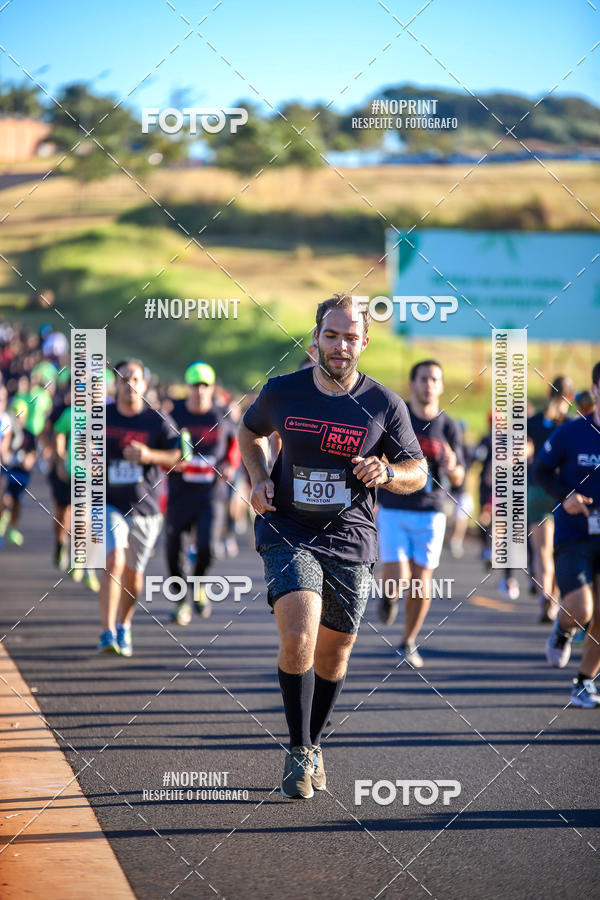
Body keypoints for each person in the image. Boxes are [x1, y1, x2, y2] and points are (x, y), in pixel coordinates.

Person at [239, 292, 426, 800]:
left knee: (335, 652)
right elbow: (251, 431)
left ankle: (315, 741)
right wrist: (257, 479)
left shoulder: (385, 404)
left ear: (364, 341)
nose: (340, 345)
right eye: (331, 335)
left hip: (351, 537)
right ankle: (299, 749)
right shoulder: (283, 391)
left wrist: (387, 471)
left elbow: (418, 469)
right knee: (299, 631)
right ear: (315, 338)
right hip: (288, 529)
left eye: (350, 337)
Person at [376, 360, 465, 667]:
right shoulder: (398, 419)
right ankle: (388, 598)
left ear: (441, 386)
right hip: (394, 508)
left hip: (431, 511)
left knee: (421, 581)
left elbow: (459, 477)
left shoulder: (449, 426)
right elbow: (381, 456)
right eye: (423, 378)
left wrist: (453, 465)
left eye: (435, 379)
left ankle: (408, 640)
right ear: (413, 383)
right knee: (398, 578)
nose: (429, 384)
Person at [98, 359, 181, 655]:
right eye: (123, 379)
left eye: (135, 378)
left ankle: (124, 624)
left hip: (145, 509)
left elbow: (177, 456)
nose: (129, 384)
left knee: (133, 575)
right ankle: (107, 632)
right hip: (108, 504)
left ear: (144, 384)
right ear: (115, 384)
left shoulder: (157, 420)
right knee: (113, 561)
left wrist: (147, 455)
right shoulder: (101, 417)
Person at [535, 362, 600, 708]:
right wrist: (566, 496)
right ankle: (563, 629)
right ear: (596, 390)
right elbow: (541, 470)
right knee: (581, 608)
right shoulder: (572, 432)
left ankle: (584, 682)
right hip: (575, 534)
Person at [166, 361, 240, 626]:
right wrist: (168, 461)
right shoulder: (174, 414)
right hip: (179, 492)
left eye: (204, 385)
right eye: (194, 385)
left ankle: (197, 585)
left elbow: (235, 444)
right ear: (187, 387)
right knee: (173, 551)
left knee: (207, 547)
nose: (199, 390)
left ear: (212, 387)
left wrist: (230, 464)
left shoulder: (222, 415)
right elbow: (161, 444)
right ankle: (179, 600)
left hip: (211, 494)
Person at [527, 376, 573, 622]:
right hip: (563, 492)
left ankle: (545, 596)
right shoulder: (571, 425)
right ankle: (553, 599)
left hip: (537, 488)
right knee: (558, 550)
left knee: (541, 551)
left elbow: (517, 448)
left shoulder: (533, 421)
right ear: (572, 396)